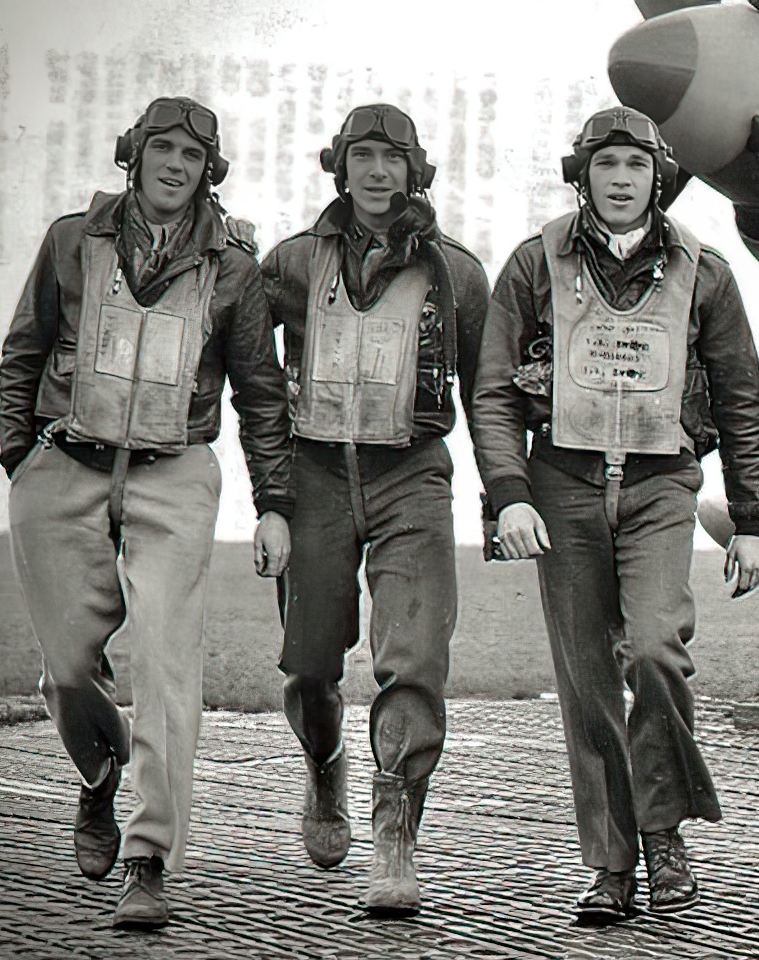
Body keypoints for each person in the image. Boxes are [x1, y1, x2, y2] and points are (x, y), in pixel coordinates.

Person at [470, 106, 759, 920]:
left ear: (659, 178)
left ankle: (664, 830)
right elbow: (495, 390)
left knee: (655, 653)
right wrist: (509, 495)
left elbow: (744, 401)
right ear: (583, 175)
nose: (620, 181)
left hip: (660, 486)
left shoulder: (705, 272)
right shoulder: (535, 264)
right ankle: (611, 865)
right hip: (561, 489)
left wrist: (751, 517)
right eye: (605, 166)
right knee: (588, 687)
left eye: (636, 167)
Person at [0, 96, 293, 929]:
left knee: (166, 665)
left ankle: (148, 857)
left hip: (176, 474)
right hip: (64, 465)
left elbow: (260, 394)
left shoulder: (235, 265)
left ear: (209, 172)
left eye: (191, 158)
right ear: (135, 155)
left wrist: (273, 502)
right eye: (160, 149)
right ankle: (98, 774)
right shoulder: (69, 239)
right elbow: (23, 349)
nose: (174, 166)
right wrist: (21, 460)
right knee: (64, 669)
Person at [260, 103, 489, 917]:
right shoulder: (288, 263)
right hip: (314, 475)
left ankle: (397, 836)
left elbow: (488, 393)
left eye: (393, 159)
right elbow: (253, 383)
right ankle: (324, 768)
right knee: (309, 665)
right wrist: (270, 497)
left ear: (416, 170)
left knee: (414, 658)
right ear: (340, 165)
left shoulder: (457, 273)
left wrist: (507, 495)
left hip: (413, 476)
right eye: (363, 155)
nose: (378, 172)